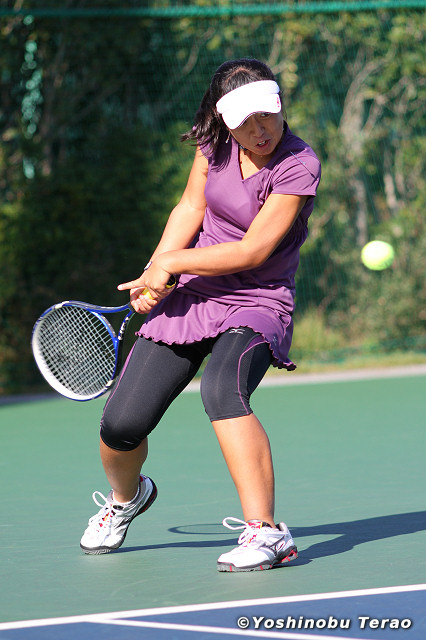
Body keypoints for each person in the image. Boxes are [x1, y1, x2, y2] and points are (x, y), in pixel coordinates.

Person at [80, 58, 321, 572]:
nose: (260, 130)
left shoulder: (299, 164)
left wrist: (172, 263)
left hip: (258, 298)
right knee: (121, 426)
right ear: (223, 120)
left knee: (222, 389)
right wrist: (153, 272)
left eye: (267, 115)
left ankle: (266, 532)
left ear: (280, 106)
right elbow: (190, 208)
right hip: (194, 293)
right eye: (245, 122)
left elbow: (254, 250)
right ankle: (126, 499)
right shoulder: (213, 145)